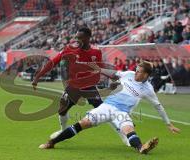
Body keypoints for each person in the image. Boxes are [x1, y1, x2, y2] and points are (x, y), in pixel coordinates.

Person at [39, 61, 180, 154]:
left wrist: (169, 124)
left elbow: (158, 106)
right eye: (136, 70)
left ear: (146, 75)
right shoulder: (128, 74)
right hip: (107, 106)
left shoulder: (148, 89)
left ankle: (141, 148)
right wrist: (100, 70)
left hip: (122, 112)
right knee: (82, 124)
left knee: (129, 129)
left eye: (139, 71)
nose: (136, 72)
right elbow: (114, 73)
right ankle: (52, 142)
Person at [32, 27, 105, 139]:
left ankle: (126, 132)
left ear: (88, 38)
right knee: (62, 110)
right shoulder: (69, 49)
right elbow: (53, 62)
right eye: (76, 37)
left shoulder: (96, 51)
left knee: (105, 110)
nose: (77, 40)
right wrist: (38, 77)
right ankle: (63, 130)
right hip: (73, 86)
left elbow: (100, 68)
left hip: (89, 86)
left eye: (80, 38)